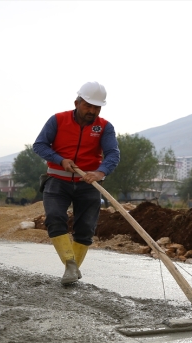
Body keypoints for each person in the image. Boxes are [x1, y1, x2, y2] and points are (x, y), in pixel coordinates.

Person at [33, 81, 120, 285]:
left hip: (88, 184)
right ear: (77, 102)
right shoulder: (57, 120)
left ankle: (71, 270)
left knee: (86, 228)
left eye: (96, 107)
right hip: (56, 180)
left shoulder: (105, 127)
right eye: (87, 105)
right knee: (55, 218)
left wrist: (100, 172)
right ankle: (71, 266)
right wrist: (60, 160)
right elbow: (39, 145)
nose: (92, 111)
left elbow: (113, 154)